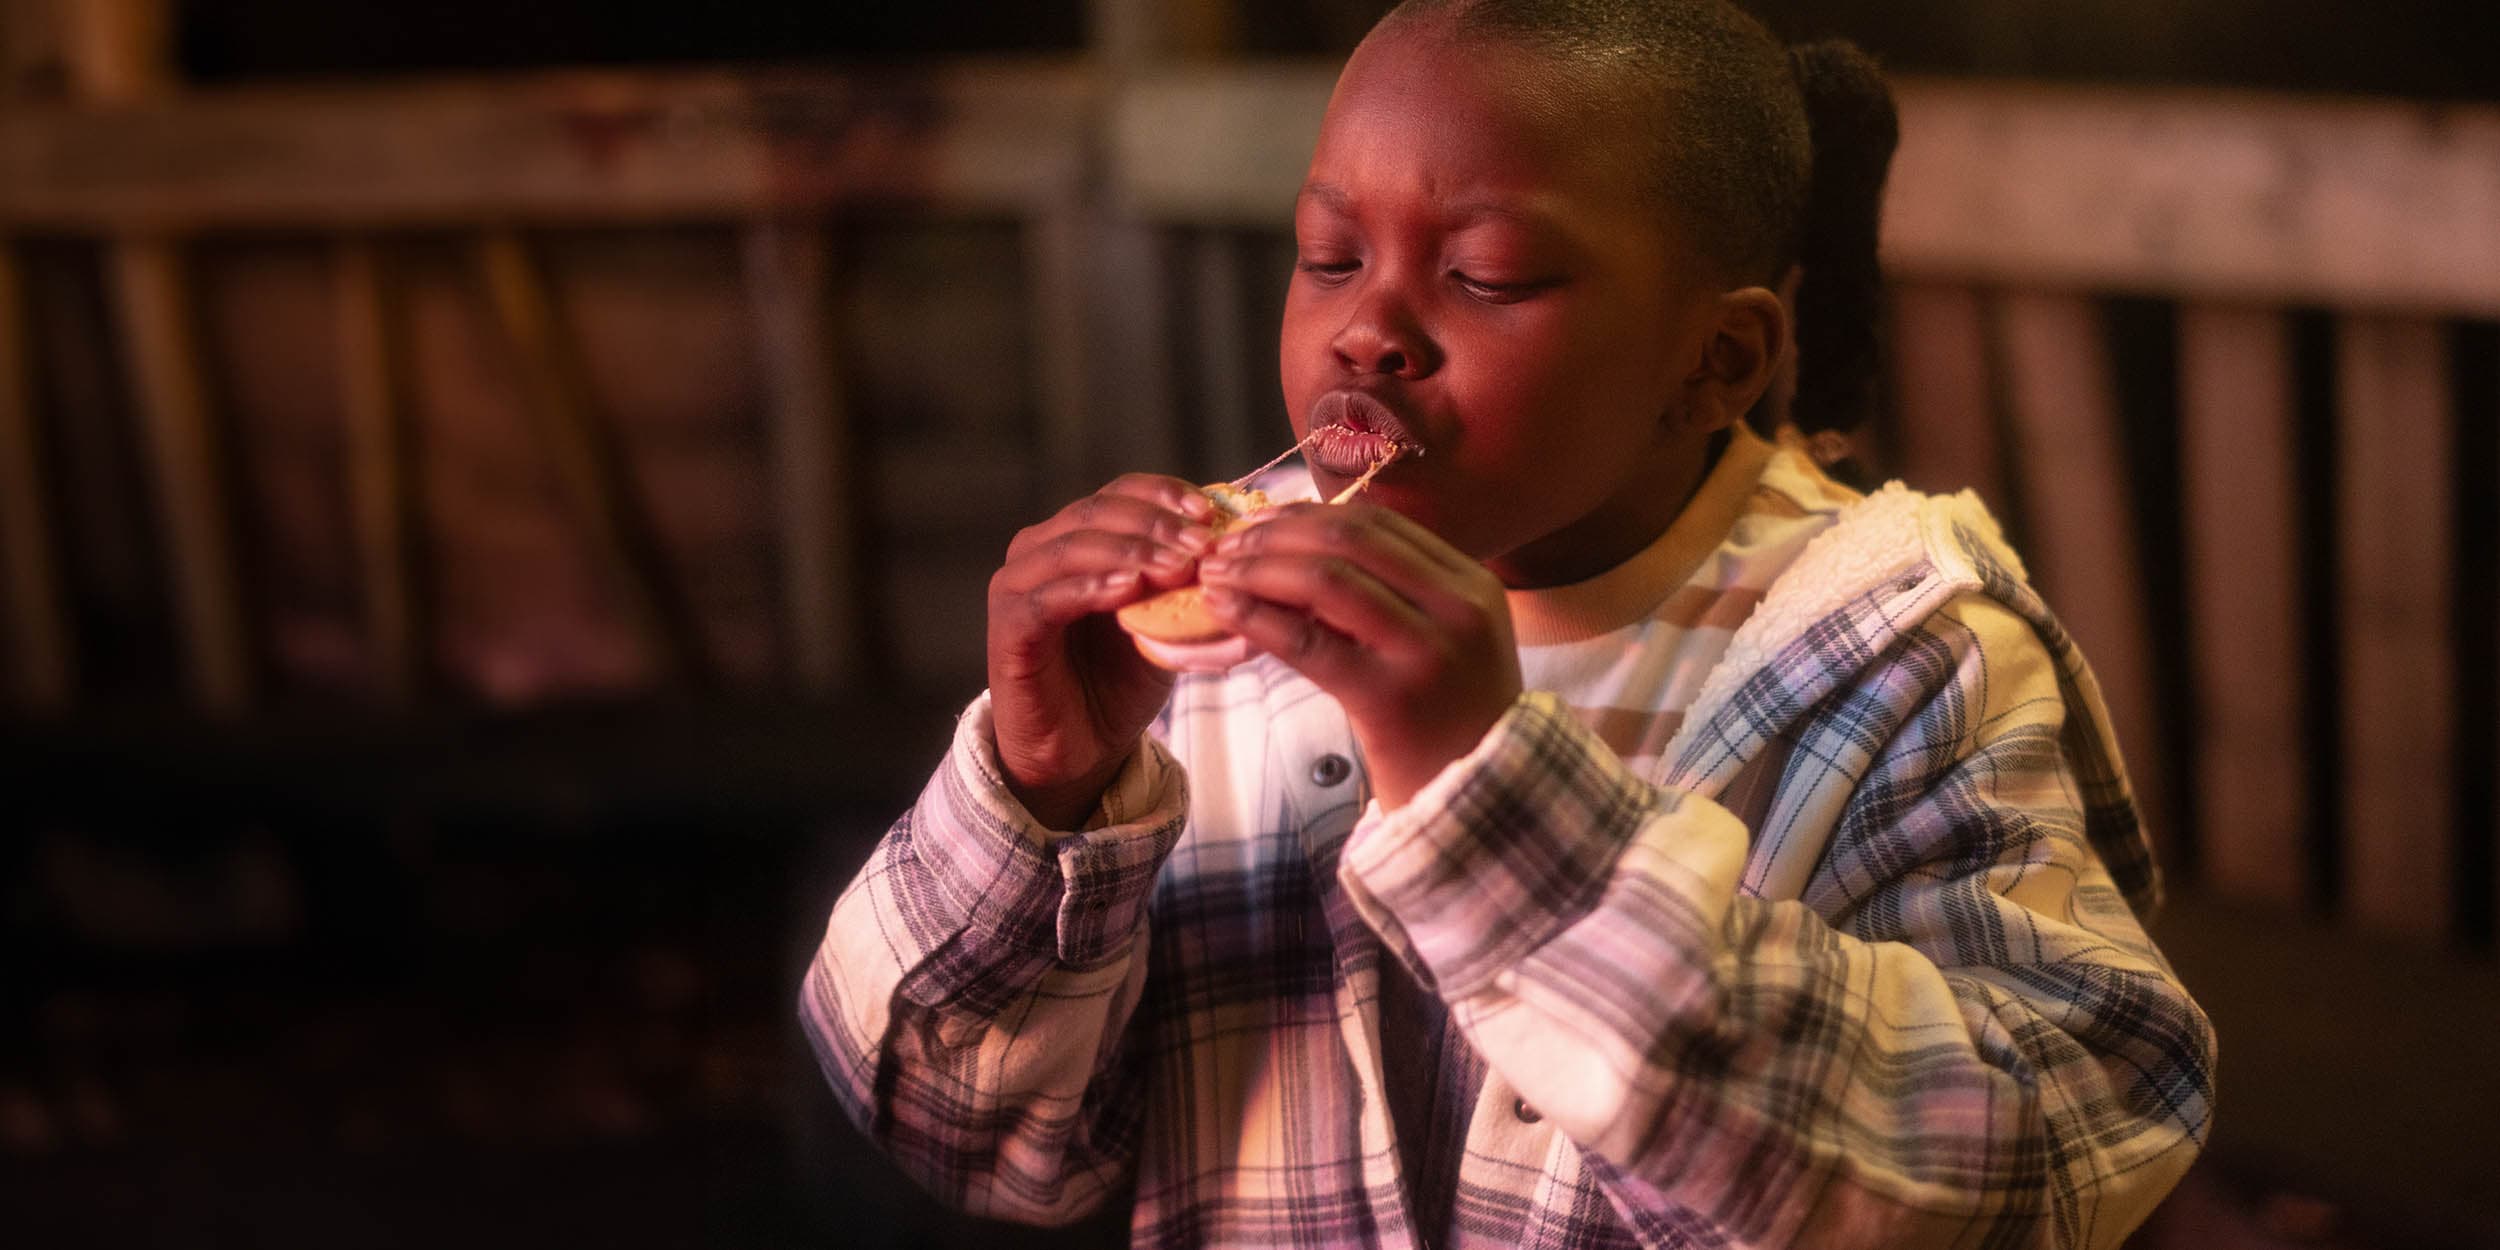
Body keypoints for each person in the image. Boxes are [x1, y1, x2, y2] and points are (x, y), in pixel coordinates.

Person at [800, 1, 2217, 1246]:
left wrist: (1491, 799)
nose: (1370, 332)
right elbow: (966, 1134)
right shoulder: (1213, 666)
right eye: (1328, 256)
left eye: (1484, 276)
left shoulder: (1899, 653)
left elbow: (2052, 1159)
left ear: (1713, 362)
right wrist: (1044, 794)